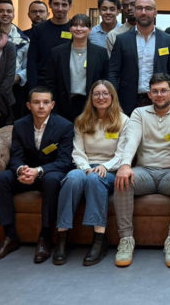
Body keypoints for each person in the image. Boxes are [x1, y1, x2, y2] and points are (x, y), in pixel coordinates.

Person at [113, 73, 170, 268]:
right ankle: (126, 240)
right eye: (155, 91)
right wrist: (124, 165)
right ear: (149, 94)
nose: (159, 95)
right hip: (144, 172)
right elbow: (131, 140)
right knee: (122, 179)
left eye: (163, 90)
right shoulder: (139, 113)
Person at [0, 87, 74, 263]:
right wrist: (21, 170)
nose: (41, 106)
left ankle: (45, 237)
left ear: (52, 105)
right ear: (28, 105)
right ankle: (10, 236)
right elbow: (16, 156)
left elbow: (64, 161)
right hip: (26, 173)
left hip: (49, 173)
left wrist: (38, 171)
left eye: (45, 102)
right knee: (0, 179)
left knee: (51, 180)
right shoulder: (20, 125)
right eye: (36, 102)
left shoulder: (65, 126)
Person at [52, 81, 126, 266]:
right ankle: (62, 238)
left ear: (112, 97)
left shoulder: (124, 121)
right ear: (91, 98)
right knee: (71, 178)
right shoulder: (81, 120)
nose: (101, 97)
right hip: (85, 166)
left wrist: (105, 167)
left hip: (111, 169)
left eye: (105, 93)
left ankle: (99, 241)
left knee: (95, 178)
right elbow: (77, 151)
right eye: (96, 94)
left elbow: (123, 153)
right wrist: (85, 168)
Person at [107, 0, 170, 114]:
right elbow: (113, 72)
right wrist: (113, 100)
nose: (143, 12)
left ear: (155, 13)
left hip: (159, 100)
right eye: (139, 8)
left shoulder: (167, 40)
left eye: (148, 8)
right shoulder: (122, 40)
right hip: (127, 102)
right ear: (135, 12)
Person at [44, 14, 109, 121]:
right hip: (63, 104)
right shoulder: (57, 52)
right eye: (75, 25)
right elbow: (50, 81)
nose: (79, 29)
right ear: (70, 29)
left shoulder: (100, 53)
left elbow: (105, 79)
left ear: (90, 30)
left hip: (91, 104)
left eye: (83, 26)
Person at [27, 0, 73, 88]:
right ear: (50, 5)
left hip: (69, 85)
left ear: (70, 6)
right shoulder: (39, 29)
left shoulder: (75, 29)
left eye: (64, 5)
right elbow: (32, 61)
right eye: (56, 4)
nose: (60, 8)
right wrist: (33, 88)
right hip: (43, 85)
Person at [0, 0, 30, 120]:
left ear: (13, 14)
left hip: (14, 90)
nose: (5, 14)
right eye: (1, 11)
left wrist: (17, 77)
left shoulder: (24, 40)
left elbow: (28, 66)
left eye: (9, 11)